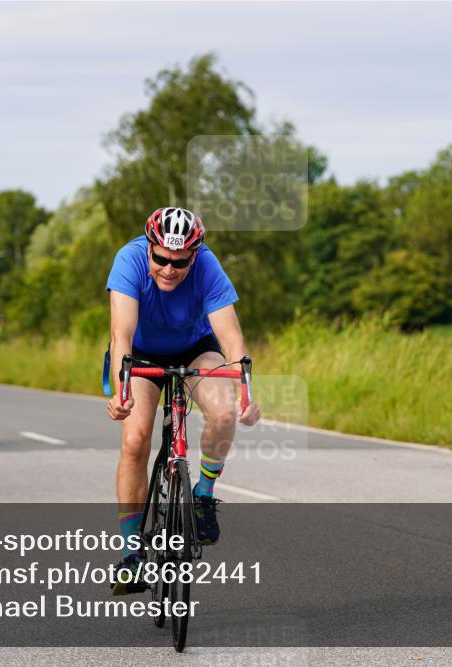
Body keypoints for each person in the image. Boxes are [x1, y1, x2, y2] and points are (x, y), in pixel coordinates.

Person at [105, 207, 261, 595]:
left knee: (224, 412)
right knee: (136, 439)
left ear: (194, 255)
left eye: (179, 262)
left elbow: (231, 338)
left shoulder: (208, 265)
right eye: (160, 259)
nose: (169, 269)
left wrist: (246, 395)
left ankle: (203, 495)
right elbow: (121, 334)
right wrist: (121, 392)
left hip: (194, 347)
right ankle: (130, 553)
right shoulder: (128, 259)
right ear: (150, 249)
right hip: (139, 353)